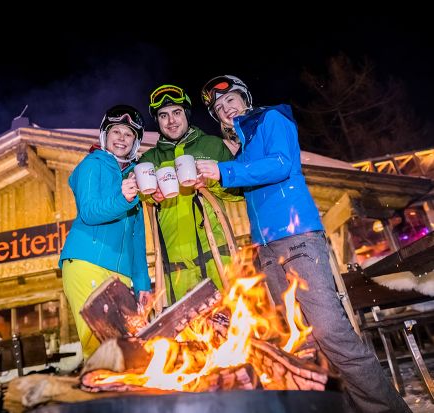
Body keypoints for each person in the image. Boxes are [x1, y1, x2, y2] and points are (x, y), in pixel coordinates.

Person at [197, 75, 412, 413]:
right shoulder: (242, 146)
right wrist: (213, 175)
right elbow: (243, 183)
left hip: (296, 236)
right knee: (304, 340)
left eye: (231, 100)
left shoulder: (271, 119)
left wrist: (224, 171)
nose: (226, 109)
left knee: (331, 333)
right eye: (219, 108)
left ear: (246, 97)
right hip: (266, 249)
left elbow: (283, 164)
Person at [59, 104, 152, 360]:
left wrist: (142, 284)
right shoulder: (93, 164)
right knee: (101, 342)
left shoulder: (133, 177)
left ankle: (125, 395)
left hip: (119, 273)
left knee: (128, 343)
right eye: (116, 132)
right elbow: (89, 212)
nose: (122, 138)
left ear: (135, 142)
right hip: (86, 261)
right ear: (105, 135)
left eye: (128, 134)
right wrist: (123, 196)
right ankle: (102, 393)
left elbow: (137, 237)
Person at [139, 84, 240, 305]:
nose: (171, 120)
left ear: (186, 114)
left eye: (177, 112)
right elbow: (139, 196)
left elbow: (239, 191)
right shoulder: (149, 159)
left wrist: (211, 182)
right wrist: (149, 195)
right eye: (163, 116)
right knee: (189, 333)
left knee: (233, 324)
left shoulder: (213, 146)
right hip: (175, 266)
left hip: (217, 254)